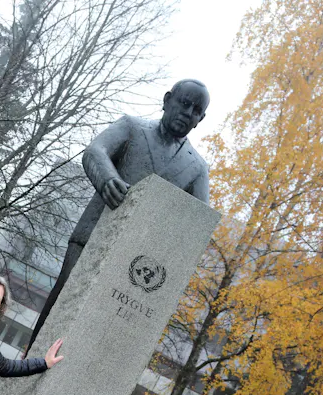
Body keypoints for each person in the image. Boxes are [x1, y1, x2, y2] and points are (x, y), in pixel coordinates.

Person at [28, 79, 210, 349]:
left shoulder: (197, 168)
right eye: (184, 103)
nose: (187, 113)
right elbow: (95, 150)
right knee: (61, 307)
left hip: (136, 266)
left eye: (196, 110)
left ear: (200, 119)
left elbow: (198, 225)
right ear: (167, 100)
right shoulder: (132, 127)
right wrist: (106, 179)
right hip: (91, 238)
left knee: (100, 332)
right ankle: (31, 363)